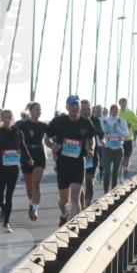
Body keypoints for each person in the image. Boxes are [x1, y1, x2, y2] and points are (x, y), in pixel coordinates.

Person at [47, 95, 97, 225]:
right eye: (73, 108)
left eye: (77, 108)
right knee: (64, 200)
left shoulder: (86, 123)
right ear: (67, 107)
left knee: (75, 196)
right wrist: (53, 146)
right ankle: (64, 214)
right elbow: (46, 138)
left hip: (78, 163)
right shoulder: (59, 122)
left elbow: (91, 138)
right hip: (63, 164)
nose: (75, 110)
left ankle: (75, 226)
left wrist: (91, 149)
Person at [0, 109, 33, 232]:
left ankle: (6, 223)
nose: (7, 119)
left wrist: (29, 158)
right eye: (4, 117)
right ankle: (3, 209)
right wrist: (8, 133)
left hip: (13, 167)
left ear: (12, 118)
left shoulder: (18, 132)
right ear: (2, 119)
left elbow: (23, 146)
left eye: (9, 117)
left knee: (9, 195)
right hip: (1, 167)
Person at [17, 101, 52, 220]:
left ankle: (35, 209)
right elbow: (14, 136)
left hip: (39, 154)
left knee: (36, 184)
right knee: (29, 187)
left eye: (40, 109)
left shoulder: (43, 125)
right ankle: (31, 203)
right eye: (36, 109)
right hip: (26, 155)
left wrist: (56, 146)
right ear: (31, 111)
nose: (39, 112)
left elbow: (53, 135)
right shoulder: (23, 125)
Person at [80, 99, 104, 208]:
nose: (86, 111)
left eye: (88, 109)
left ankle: (87, 206)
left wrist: (100, 141)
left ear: (91, 109)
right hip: (77, 156)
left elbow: (100, 134)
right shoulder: (75, 121)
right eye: (83, 109)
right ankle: (80, 206)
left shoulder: (95, 121)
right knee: (79, 183)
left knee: (89, 181)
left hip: (91, 155)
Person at [100, 104, 129, 191]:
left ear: (118, 111)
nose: (114, 111)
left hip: (119, 149)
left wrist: (118, 130)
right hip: (108, 149)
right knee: (107, 172)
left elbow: (126, 135)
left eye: (116, 109)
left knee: (115, 172)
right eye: (112, 109)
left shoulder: (122, 121)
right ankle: (105, 192)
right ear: (110, 110)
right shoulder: (105, 121)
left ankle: (112, 191)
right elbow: (102, 132)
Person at [118, 98, 137, 181]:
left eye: (125, 103)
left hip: (128, 138)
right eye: (121, 103)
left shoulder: (131, 113)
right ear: (119, 103)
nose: (123, 104)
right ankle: (121, 175)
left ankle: (126, 169)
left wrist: (131, 124)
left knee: (127, 156)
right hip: (119, 139)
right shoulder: (117, 113)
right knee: (121, 157)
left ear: (126, 104)